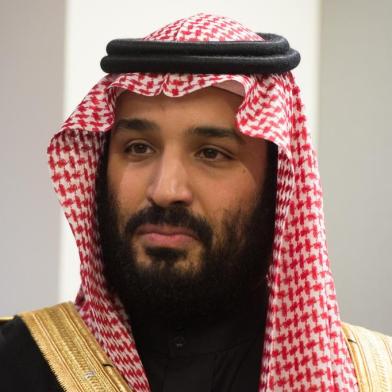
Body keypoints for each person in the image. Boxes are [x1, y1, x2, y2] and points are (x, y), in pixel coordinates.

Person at [0, 13, 391, 392]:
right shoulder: (14, 363)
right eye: (138, 148)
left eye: (211, 153)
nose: (166, 189)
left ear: (277, 187)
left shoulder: (375, 378)